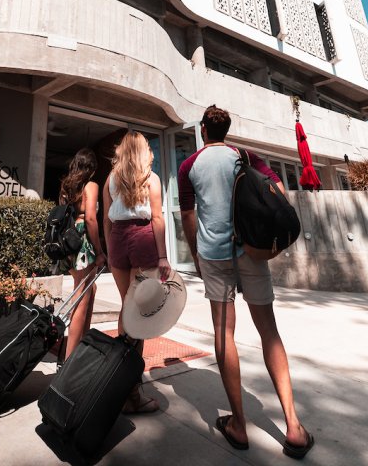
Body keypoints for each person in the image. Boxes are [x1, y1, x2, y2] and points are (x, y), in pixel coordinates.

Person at [178, 106, 314, 460]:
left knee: (224, 334)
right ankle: (293, 426)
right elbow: (278, 190)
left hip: (214, 255)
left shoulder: (188, 166)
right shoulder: (244, 155)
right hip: (251, 250)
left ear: (204, 129)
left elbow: (189, 216)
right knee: (269, 331)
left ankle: (238, 424)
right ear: (225, 129)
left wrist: (195, 255)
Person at [103, 130, 171, 413]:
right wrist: (164, 256)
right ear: (144, 152)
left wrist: (110, 252)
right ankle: (133, 392)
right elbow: (156, 217)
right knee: (139, 315)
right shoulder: (151, 179)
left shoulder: (110, 179)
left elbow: (105, 219)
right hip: (142, 239)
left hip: (118, 239)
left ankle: (120, 382)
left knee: (125, 310)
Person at [58, 148, 106, 359]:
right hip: (83, 240)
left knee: (89, 288)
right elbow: (91, 219)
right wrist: (100, 251)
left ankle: (80, 345)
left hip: (68, 241)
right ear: (92, 168)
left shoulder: (66, 186)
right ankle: (69, 359)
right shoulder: (91, 185)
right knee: (82, 297)